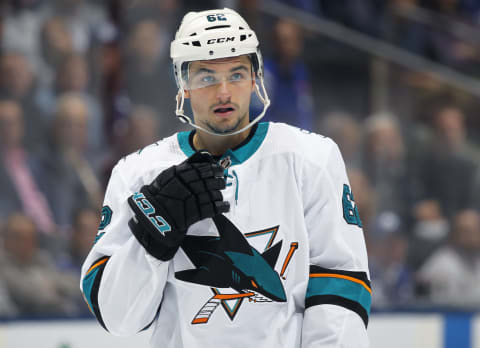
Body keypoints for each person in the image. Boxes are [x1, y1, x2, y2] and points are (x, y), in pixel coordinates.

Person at [80, 8, 371, 348]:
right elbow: (118, 319)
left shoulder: (311, 159)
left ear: (255, 77)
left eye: (236, 74)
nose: (223, 92)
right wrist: (153, 233)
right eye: (206, 77)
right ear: (183, 83)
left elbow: (340, 285)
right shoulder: (137, 173)